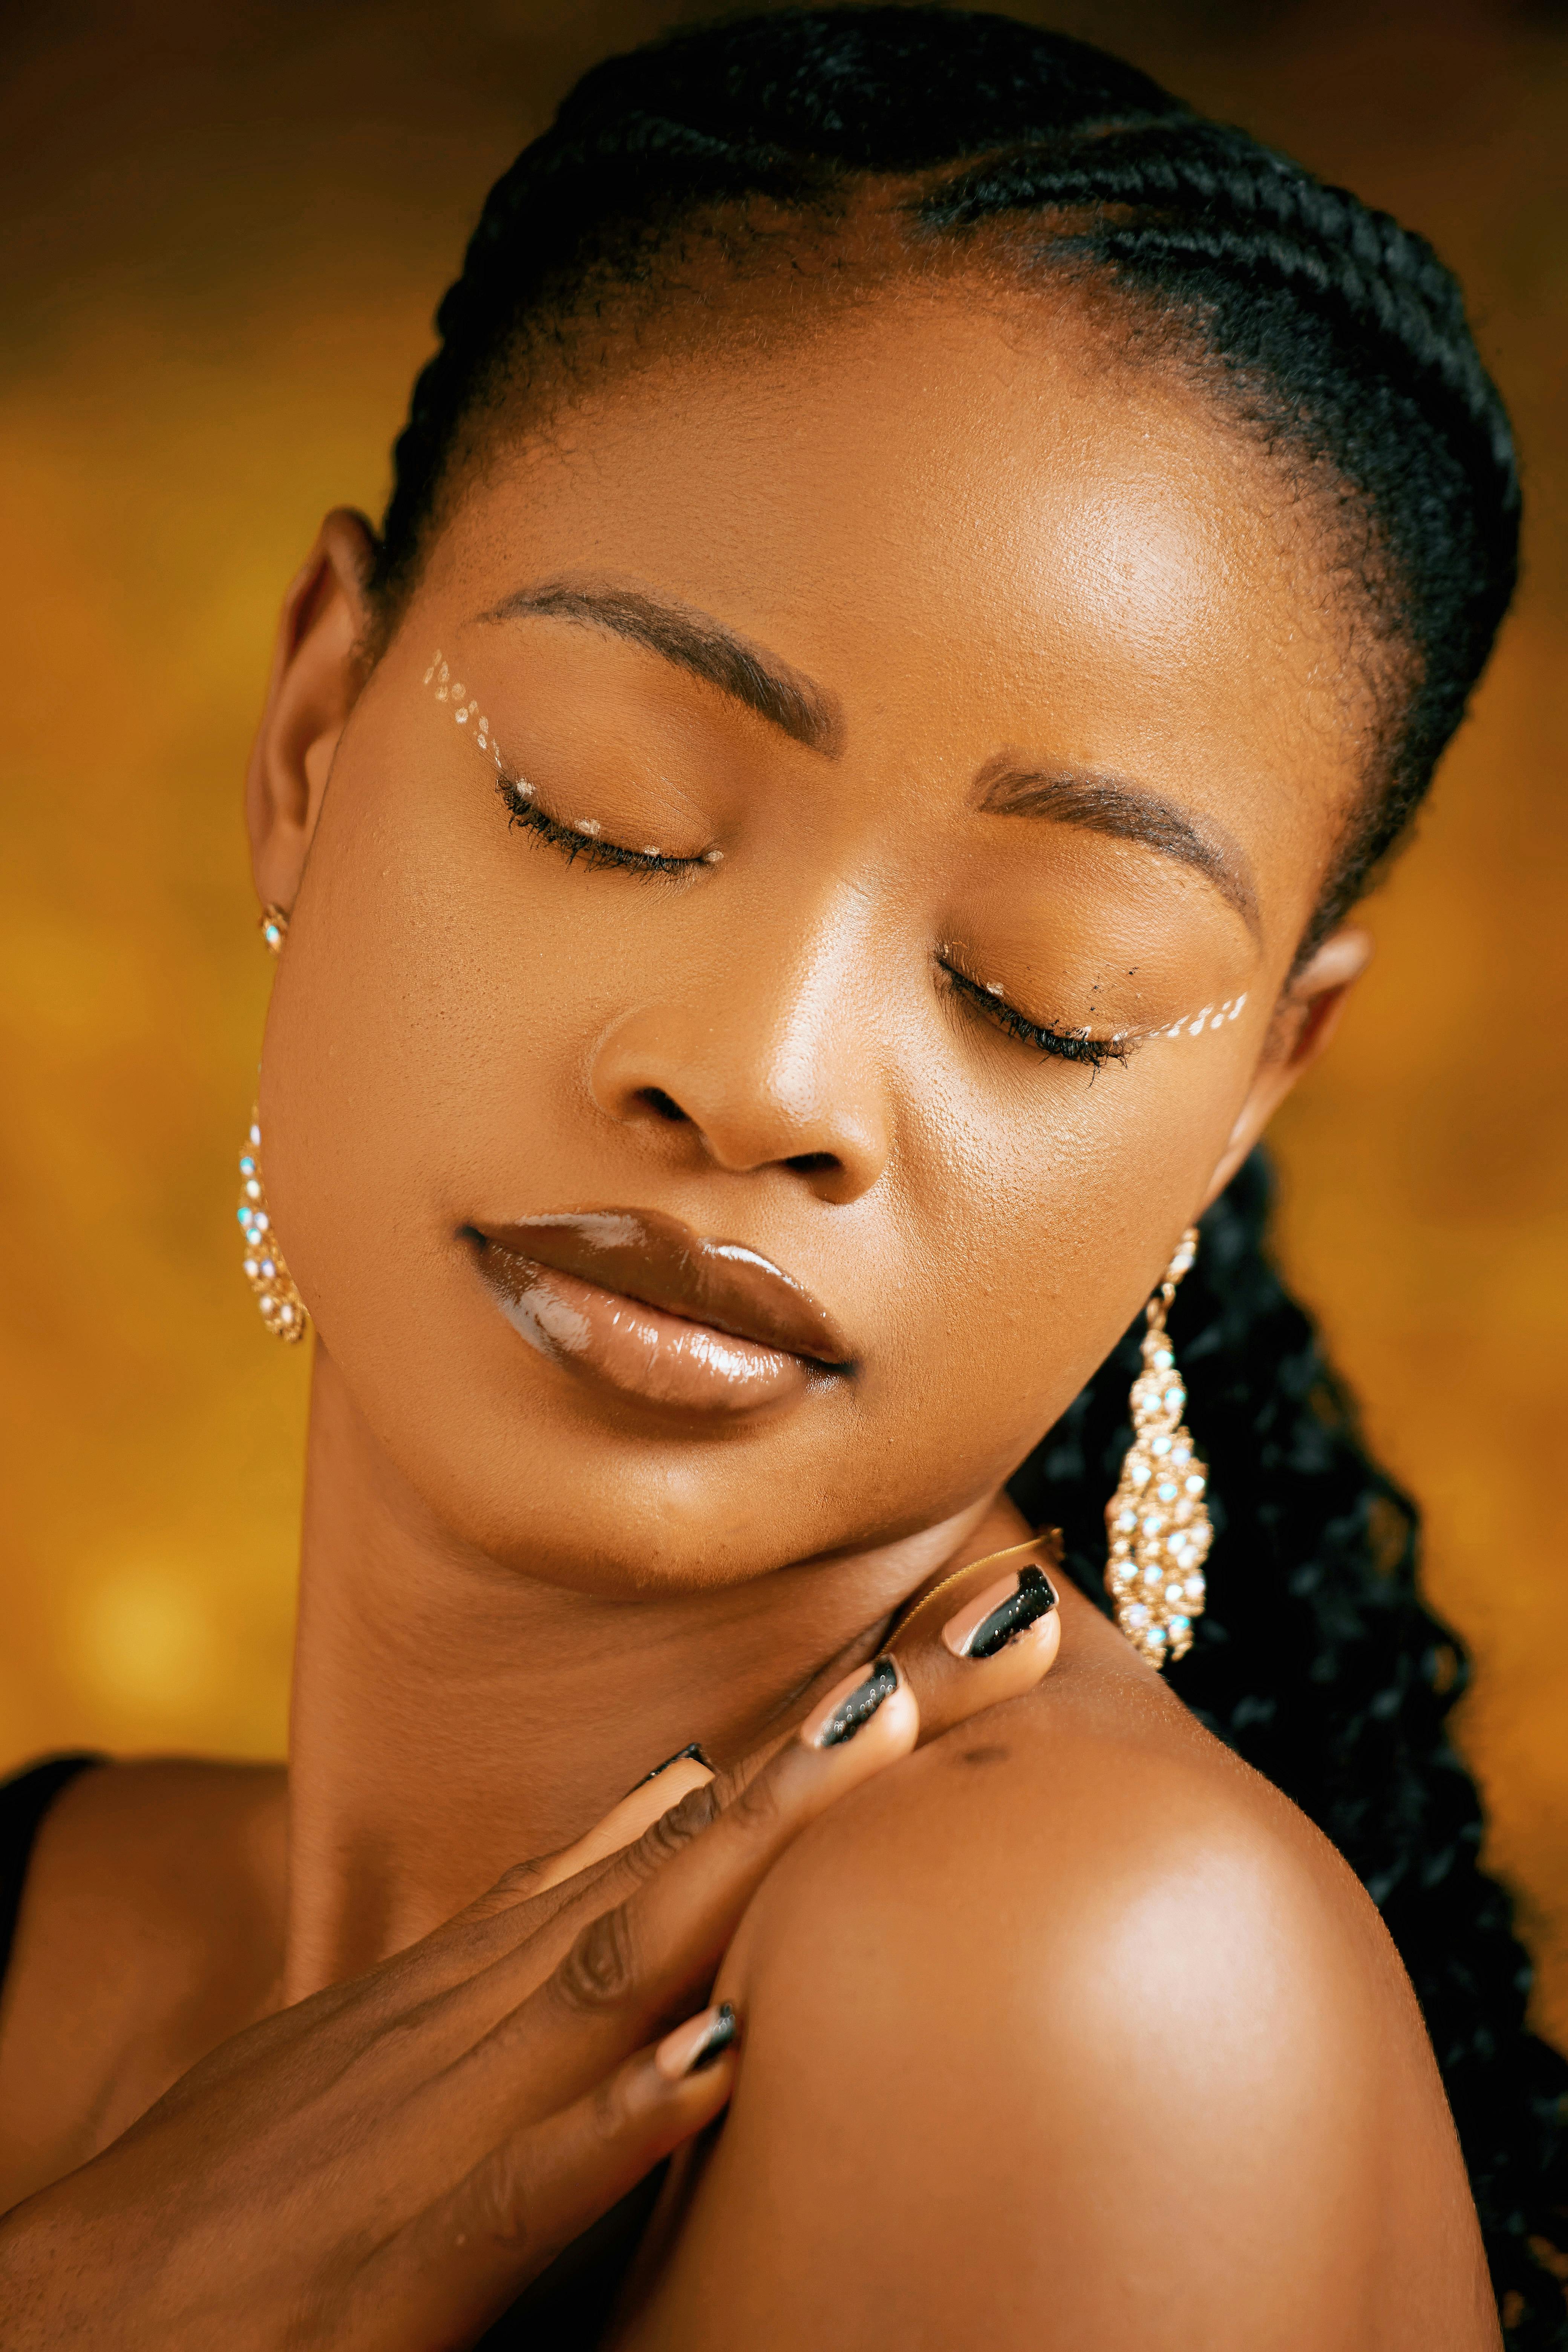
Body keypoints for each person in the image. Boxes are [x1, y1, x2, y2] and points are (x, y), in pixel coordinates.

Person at [0, 6, 1562, 2344]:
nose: (761, 1078)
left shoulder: (1074, 1984)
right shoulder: (54, 1900)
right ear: (315, 739)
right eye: (603, 807)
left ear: (1249, 1090)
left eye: (1052, 982)